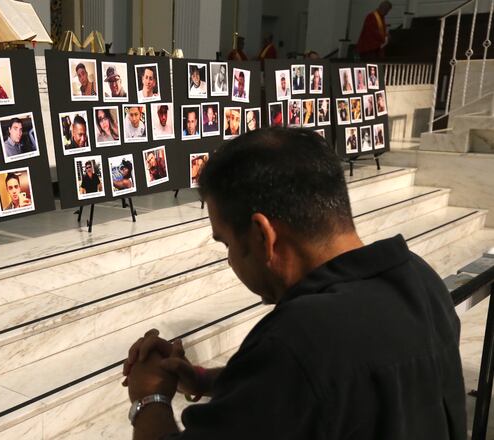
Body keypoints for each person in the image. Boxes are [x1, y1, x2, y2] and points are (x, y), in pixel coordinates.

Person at [121, 127, 466, 440]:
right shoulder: (418, 277)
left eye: (225, 242)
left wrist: (149, 396)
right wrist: (205, 379)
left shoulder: (298, 339)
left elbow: (307, 370)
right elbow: (335, 387)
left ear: (262, 235)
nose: (229, 259)